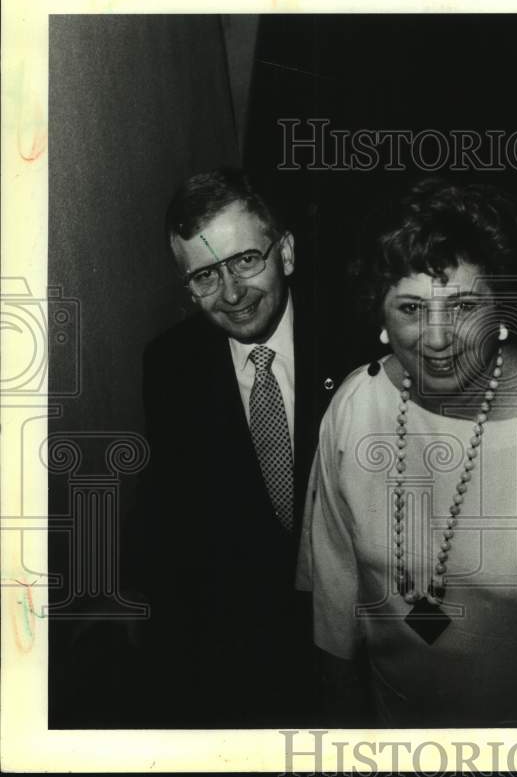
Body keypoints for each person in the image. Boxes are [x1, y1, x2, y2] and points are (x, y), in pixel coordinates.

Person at [297, 180, 517, 727]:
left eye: (462, 305)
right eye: (411, 307)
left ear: (502, 309)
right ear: (381, 318)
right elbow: (334, 588)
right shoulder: (355, 406)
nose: (437, 339)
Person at [137, 168, 335, 726]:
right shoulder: (170, 367)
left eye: (246, 260)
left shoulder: (356, 345)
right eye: (204, 275)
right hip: (245, 667)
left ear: (286, 253)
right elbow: (174, 535)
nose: (231, 293)